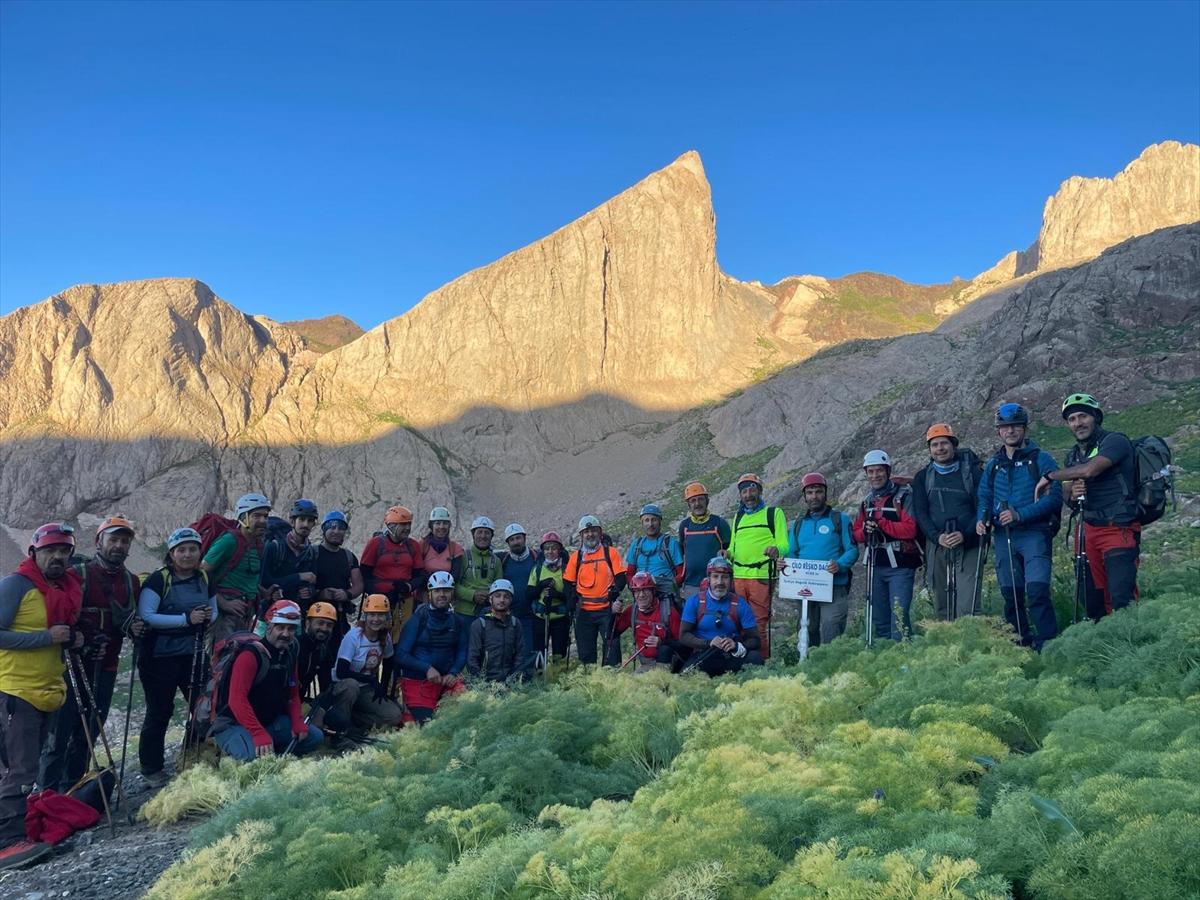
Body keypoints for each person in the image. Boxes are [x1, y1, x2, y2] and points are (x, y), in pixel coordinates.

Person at [0, 523, 83, 871]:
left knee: (26, 765)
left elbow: (56, 633)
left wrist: (71, 639)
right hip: (16, 689)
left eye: (64, 551)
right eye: (50, 550)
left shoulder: (64, 589)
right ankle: (8, 843)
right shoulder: (15, 585)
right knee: (20, 768)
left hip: (48, 689)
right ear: (33, 553)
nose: (58, 556)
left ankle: (17, 832)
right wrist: (46, 638)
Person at [39, 516, 140, 794]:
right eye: (113, 539)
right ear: (99, 542)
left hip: (107, 664)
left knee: (91, 730)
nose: (119, 545)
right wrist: (82, 637)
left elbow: (128, 620)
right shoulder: (77, 574)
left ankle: (71, 790)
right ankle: (47, 795)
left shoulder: (131, 582)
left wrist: (135, 628)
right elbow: (58, 614)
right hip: (70, 665)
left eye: (124, 541)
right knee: (59, 733)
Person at [1036, 393, 1139, 618]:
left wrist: (1050, 476)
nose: (1078, 423)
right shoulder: (1073, 456)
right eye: (1072, 419)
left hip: (1118, 526)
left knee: (1121, 596)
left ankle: (1130, 636)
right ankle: (1101, 636)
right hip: (1088, 529)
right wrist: (1072, 493)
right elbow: (1068, 498)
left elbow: (1090, 470)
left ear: (1096, 417)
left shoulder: (1115, 441)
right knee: (1091, 597)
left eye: (1083, 416)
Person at [135, 527, 218, 786]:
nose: (187, 554)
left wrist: (207, 617)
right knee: (160, 711)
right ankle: (151, 768)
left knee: (203, 706)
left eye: (192, 549)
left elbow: (213, 609)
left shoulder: (204, 577)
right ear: (171, 554)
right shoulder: (158, 580)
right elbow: (147, 615)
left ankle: (196, 755)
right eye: (181, 550)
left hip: (193, 652)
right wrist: (186, 620)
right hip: (159, 657)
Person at [975, 403, 1063, 649]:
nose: (1010, 431)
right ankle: (1019, 645)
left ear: (1024, 428)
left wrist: (1020, 515)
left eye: (1015, 426)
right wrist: (982, 519)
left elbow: (1054, 498)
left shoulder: (1042, 459)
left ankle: (1048, 645)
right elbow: (984, 496)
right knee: (1011, 595)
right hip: (1003, 536)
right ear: (998, 431)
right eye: (1005, 427)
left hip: (1034, 534)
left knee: (1037, 592)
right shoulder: (994, 464)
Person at [210, 600, 323, 760]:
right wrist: (257, 733)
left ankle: (270, 750)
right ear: (269, 626)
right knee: (251, 759)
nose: (286, 634)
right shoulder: (250, 655)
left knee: (315, 738)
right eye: (280, 627)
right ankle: (236, 747)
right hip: (233, 724)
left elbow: (292, 694)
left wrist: (297, 721)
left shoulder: (290, 653)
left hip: (267, 721)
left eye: (291, 628)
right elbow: (236, 700)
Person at [911, 425, 984, 620]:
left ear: (954, 445)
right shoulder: (923, 477)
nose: (940, 448)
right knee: (941, 605)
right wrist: (937, 537)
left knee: (968, 604)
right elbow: (921, 513)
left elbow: (982, 507)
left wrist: (965, 534)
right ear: (929, 449)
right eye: (934, 445)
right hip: (937, 546)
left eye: (944, 443)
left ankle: (970, 636)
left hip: (969, 545)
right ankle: (945, 638)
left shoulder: (972, 472)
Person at [852, 451, 923, 642]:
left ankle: (902, 652)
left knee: (899, 616)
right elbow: (856, 534)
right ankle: (884, 653)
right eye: (871, 471)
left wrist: (881, 523)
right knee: (879, 618)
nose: (875, 475)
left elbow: (910, 529)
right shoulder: (867, 501)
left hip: (901, 565)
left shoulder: (904, 496)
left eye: (879, 471)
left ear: (888, 471)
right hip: (875, 564)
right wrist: (866, 530)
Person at [787, 473, 859, 647]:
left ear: (825, 493)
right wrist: (786, 565)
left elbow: (852, 549)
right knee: (807, 630)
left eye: (818, 492)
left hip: (834, 586)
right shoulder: (798, 524)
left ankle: (832, 662)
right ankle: (808, 662)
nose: (814, 496)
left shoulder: (839, 519)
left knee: (832, 628)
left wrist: (839, 565)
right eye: (810, 492)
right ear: (804, 496)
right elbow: (792, 553)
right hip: (806, 587)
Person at [725, 473, 788, 659]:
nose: (748, 495)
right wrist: (727, 554)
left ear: (759, 491)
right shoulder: (738, 517)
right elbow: (733, 547)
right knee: (738, 624)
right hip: (738, 576)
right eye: (744, 491)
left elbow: (785, 544)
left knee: (758, 625)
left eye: (752, 490)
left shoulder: (773, 513)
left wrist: (776, 549)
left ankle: (762, 664)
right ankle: (742, 662)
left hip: (761, 576)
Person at [325, 594, 404, 737]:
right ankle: (339, 727)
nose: (376, 619)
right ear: (365, 616)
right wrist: (371, 680)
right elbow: (341, 672)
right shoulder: (353, 637)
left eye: (380, 615)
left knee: (395, 716)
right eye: (372, 615)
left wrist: (383, 688)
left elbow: (388, 664)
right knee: (352, 685)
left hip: (366, 689)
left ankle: (355, 720)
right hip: (344, 686)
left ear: (386, 617)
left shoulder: (385, 637)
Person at [395, 571, 467, 724]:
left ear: (452, 593)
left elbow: (462, 652)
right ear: (430, 594)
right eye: (437, 591)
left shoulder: (457, 621)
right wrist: (426, 668)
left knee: (464, 716)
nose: (442, 595)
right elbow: (400, 654)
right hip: (418, 682)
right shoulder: (418, 619)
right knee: (428, 725)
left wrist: (453, 672)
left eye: (446, 591)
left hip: (445, 681)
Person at [202, 492, 271, 642]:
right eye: (257, 516)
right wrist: (223, 603)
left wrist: (264, 592)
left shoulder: (258, 544)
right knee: (223, 653)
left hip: (245, 613)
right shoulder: (229, 541)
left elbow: (244, 577)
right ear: (243, 517)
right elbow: (200, 574)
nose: (263, 521)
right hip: (224, 615)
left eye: (265, 516)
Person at [678, 557, 764, 677]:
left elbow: (755, 640)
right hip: (704, 655)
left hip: (731, 656)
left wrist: (736, 645)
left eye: (725, 577)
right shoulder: (695, 602)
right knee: (685, 677)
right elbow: (683, 636)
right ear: (708, 579)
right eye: (715, 576)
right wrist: (708, 643)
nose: (720, 582)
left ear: (731, 580)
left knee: (755, 658)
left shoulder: (740, 604)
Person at [563, 515, 626, 666]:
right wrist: (570, 600)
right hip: (584, 611)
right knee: (586, 656)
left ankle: (611, 677)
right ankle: (590, 678)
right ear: (581, 535)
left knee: (611, 652)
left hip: (607, 610)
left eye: (593, 531)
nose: (590, 534)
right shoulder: (575, 557)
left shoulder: (611, 553)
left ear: (600, 533)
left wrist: (615, 590)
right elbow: (567, 582)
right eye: (586, 532)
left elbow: (621, 577)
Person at [360, 505, 425, 642]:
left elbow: (420, 575)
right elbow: (364, 574)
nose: (407, 528)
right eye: (403, 524)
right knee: (376, 637)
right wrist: (379, 593)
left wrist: (408, 586)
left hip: (404, 599)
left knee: (402, 638)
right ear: (391, 526)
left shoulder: (413, 546)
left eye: (409, 524)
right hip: (378, 600)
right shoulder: (375, 544)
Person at [611, 571, 681, 670]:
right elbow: (611, 635)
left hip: (668, 665)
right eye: (637, 591)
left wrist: (662, 642)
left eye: (645, 590)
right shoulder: (632, 611)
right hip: (646, 665)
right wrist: (613, 614)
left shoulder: (669, 612)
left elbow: (684, 646)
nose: (641, 595)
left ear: (653, 591)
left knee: (664, 650)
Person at [261, 499, 319, 614]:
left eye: (310, 521)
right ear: (292, 522)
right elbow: (265, 581)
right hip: (271, 611)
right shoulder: (275, 547)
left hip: (296, 613)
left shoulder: (310, 552)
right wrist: (299, 577)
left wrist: (308, 591)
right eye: (302, 519)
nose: (306, 524)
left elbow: (313, 583)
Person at [467, 580, 530, 682]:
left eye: (506, 596)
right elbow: (472, 659)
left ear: (511, 600)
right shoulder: (479, 624)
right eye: (497, 596)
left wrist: (514, 679)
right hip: (484, 682)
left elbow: (520, 655)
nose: (502, 600)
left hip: (510, 682)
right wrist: (480, 682)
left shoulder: (515, 623)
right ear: (490, 599)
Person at [677, 482, 731, 601]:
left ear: (707, 501)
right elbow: (682, 551)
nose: (697, 504)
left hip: (717, 583)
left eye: (700, 499)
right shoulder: (684, 526)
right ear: (688, 505)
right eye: (693, 500)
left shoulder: (719, 523)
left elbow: (730, 549)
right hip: (691, 584)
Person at [313, 510, 362, 637]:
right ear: (324, 529)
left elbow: (358, 585)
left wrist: (346, 594)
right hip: (315, 613)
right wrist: (320, 593)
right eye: (332, 527)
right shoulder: (313, 553)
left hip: (339, 614)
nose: (336, 531)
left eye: (341, 528)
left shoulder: (349, 557)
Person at [624, 504, 684, 605]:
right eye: (646, 520)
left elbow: (681, 573)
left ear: (660, 522)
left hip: (666, 596)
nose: (650, 524)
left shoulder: (670, 543)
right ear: (642, 523)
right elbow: (630, 573)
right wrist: (636, 589)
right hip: (642, 596)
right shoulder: (636, 545)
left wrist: (672, 586)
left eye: (654, 520)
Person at [499, 523, 541, 665]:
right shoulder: (504, 561)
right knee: (511, 651)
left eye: (518, 538)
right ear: (508, 543)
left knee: (530, 651)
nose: (516, 542)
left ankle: (530, 677)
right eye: (512, 539)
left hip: (532, 615)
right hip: (510, 615)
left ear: (524, 538)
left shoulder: (536, 557)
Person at [296, 602, 340, 730]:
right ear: (307, 623)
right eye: (320, 623)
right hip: (286, 703)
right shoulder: (294, 646)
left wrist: (321, 710)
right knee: (315, 734)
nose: (324, 628)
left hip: (302, 703)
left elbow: (326, 686)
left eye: (329, 625)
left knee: (339, 721)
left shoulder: (323, 651)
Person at [529, 532, 571, 664]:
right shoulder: (537, 570)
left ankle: (558, 675)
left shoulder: (567, 569)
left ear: (559, 550)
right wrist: (541, 585)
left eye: (554, 548)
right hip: (541, 618)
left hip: (560, 619)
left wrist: (556, 594)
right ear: (543, 551)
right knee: (539, 654)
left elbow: (571, 596)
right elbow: (529, 594)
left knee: (559, 654)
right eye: (547, 548)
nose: (550, 551)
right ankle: (540, 675)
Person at [453, 516, 502, 628]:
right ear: (473, 534)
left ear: (491, 536)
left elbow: (499, 587)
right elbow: (454, 585)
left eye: (487, 533)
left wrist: (489, 596)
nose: (483, 536)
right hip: (464, 614)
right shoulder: (463, 557)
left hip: (489, 613)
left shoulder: (496, 561)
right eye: (479, 532)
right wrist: (472, 595)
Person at [419, 507, 464, 584]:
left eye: (445, 523)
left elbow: (455, 575)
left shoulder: (455, 549)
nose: (441, 526)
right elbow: (418, 571)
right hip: (425, 586)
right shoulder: (422, 546)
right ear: (431, 526)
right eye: (438, 523)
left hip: (447, 587)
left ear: (449, 526)